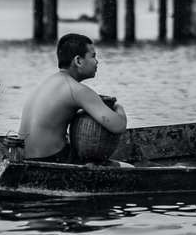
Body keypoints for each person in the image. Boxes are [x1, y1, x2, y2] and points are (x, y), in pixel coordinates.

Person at [19, 32, 127, 162]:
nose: (97, 62)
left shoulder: (47, 83)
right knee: (119, 165)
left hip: (21, 157)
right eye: (93, 56)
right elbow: (118, 125)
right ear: (78, 61)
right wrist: (118, 107)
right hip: (50, 159)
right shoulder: (76, 90)